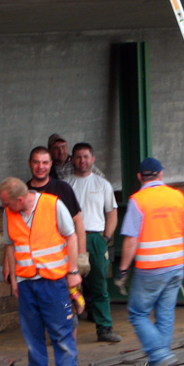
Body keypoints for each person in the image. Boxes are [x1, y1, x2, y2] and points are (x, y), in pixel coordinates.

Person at [0, 177, 83, 366]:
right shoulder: (9, 214)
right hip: (27, 284)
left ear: (20, 199)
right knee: (32, 335)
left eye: (8, 204)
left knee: (62, 332)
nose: (5, 208)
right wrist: (14, 279)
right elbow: (10, 245)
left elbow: (71, 235)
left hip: (55, 283)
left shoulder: (53, 205)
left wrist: (73, 271)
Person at [115, 158, 184, 366]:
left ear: (140, 177)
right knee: (165, 315)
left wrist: (122, 270)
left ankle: (160, 356)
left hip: (150, 269)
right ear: (160, 174)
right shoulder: (177, 196)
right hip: (176, 267)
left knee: (138, 314)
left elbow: (131, 240)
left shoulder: (137, 200)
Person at [64, 142, 121, 343]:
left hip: (96, 238)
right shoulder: (66, 185)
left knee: (99, 286)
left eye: (86, 157)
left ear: (93, 159)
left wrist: (106, 238)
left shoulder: (103, 184)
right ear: (72, 160)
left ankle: (104, 328)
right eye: (78, 157)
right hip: (70, 239)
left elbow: (112, 213)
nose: (82, 161)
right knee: (67, 285)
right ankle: (64, 329)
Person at [27, 146, 90, 279]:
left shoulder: (62, 188)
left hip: (62, 263)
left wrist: (82, 255)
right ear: (29, 163)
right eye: (36, 162)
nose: (40, 167)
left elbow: (78, 221)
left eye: (45, 162)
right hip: (31, 267)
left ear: (51, 164)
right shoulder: (24, 192)